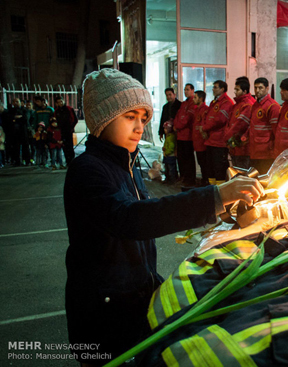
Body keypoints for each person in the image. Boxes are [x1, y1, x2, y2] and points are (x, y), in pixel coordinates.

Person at [63, 69, 263, 365]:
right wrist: (216, 196)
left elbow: (145, 221)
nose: (140, 127)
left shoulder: (124, 164)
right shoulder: (88, 170)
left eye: (143, 117)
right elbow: (131, 219)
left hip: (133, 301)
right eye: (129, 116)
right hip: (103, 315)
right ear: (102, 119)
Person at [201, 80, 235, 184]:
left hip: (219, 141)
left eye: (215, 87)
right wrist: (204, 128)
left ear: (222, 89)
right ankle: (212, 189)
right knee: (210, 167)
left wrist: (205, 128)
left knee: (219, 167)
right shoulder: (214, 102)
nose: (213, 89)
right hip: (211, 140)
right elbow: (207, 117)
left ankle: (220, 191)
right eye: (213, 87)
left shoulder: (227, 103)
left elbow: (220, 120)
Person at [247, 77, 281, 174]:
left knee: (264, 178)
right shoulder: (255, 105)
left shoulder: (272, 106)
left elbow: (276, 131)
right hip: (254, 150)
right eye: (256, 88)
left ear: (267, 88)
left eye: (260, 88)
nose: (257, 91)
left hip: (266, 152)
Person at [224, 76, 255, 169]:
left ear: (244, 91)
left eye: (237, 89)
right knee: (237, 171)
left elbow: (240, 124)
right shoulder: (238, 104)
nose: (235, 92)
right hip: (235, 147)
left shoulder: (247, 105)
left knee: (242, 173)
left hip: (243, 148)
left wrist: (227, 137)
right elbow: (229, 122)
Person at [173, 83, 197, 186]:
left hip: (188, 136)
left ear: (192, 90)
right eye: (184, 89)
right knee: (181, 158)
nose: (185, 91)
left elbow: (187, 119)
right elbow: (178, 116)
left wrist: (177, 126)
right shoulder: (183, 103)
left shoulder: (193, 103)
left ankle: (190, 179)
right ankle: (183, 176)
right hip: (180, 135)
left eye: (187, 89)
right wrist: (175, 125)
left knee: (188, 159)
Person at [192, 90, 210, 186]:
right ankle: (204, 180)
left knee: (204, 163)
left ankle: (205, 181)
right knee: (200, 162)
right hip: (197, 142)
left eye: (195, 97)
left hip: (202, 142)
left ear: (201, 99)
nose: (193, 99)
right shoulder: (196, 110)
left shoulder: (205, 110)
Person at [54, 96, 78, 165]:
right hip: (61, 131)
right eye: (58, 102)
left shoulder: (69, 109)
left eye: (61, 101)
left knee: (70, 146)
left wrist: (71, 128)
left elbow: (75, 119)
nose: (60, 103)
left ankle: (71, 160)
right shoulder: (57, 111)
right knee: (64, 146)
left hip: (68, 130)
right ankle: (67, 161)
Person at [7, 98, 31, 166]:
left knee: (25, 147)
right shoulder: (11, 111)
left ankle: (27, 161)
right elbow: (9, 119)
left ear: (20, 102)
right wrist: (17, 118)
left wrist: (15, 118)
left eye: (17, 101)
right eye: (14, 102)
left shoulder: (25, 110)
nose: (15, 103)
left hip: (23, 131)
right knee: (15, 147)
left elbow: (25, 118)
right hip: (14, 132)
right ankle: (17, 161)